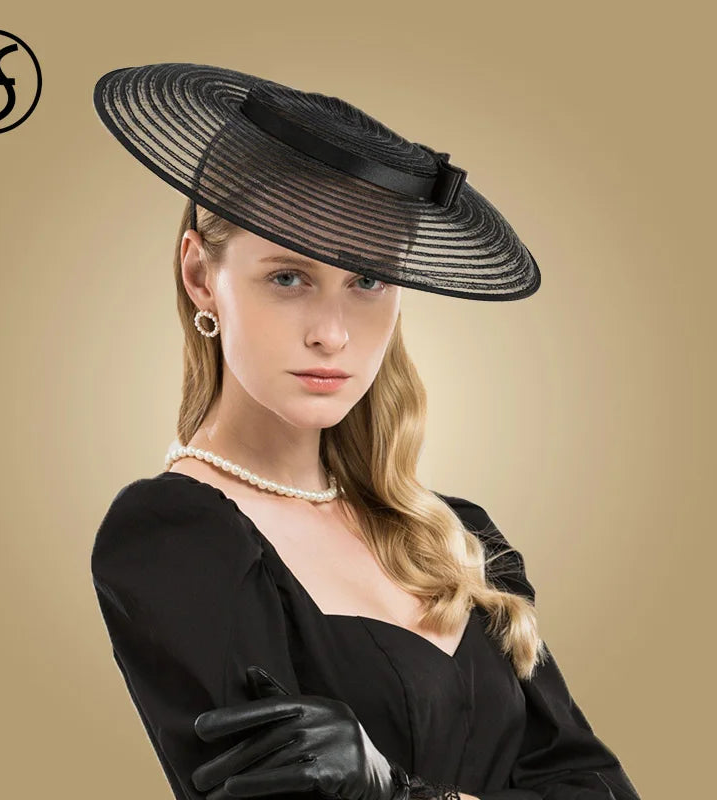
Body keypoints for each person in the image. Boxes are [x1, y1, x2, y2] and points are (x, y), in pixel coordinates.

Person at [90, 63, 642, 800]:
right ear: (200, 276)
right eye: (288, 277)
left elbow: (600, 788)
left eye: (368, 280)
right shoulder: (173, 537)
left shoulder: (460, 539)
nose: (332, 333)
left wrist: (394, 792)